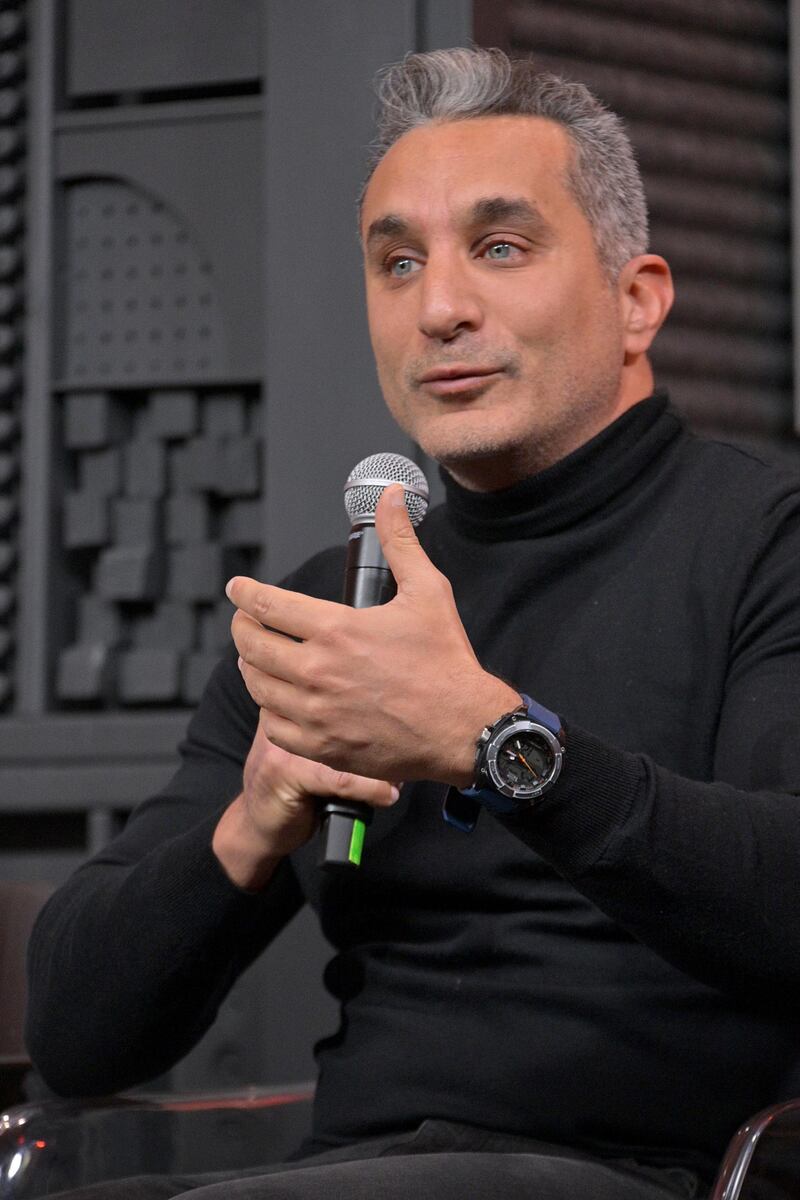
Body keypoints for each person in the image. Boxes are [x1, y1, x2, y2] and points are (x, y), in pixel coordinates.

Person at [26, 47, 800, 1200]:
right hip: (354, 1166)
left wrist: (498, 741)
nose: (438, 308)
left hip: (646, 1171)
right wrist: (253, 821)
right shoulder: (336, 612)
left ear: (635, 300)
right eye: (397, 263)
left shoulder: (763, 541)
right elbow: (80, 1040)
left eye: (499, 247)